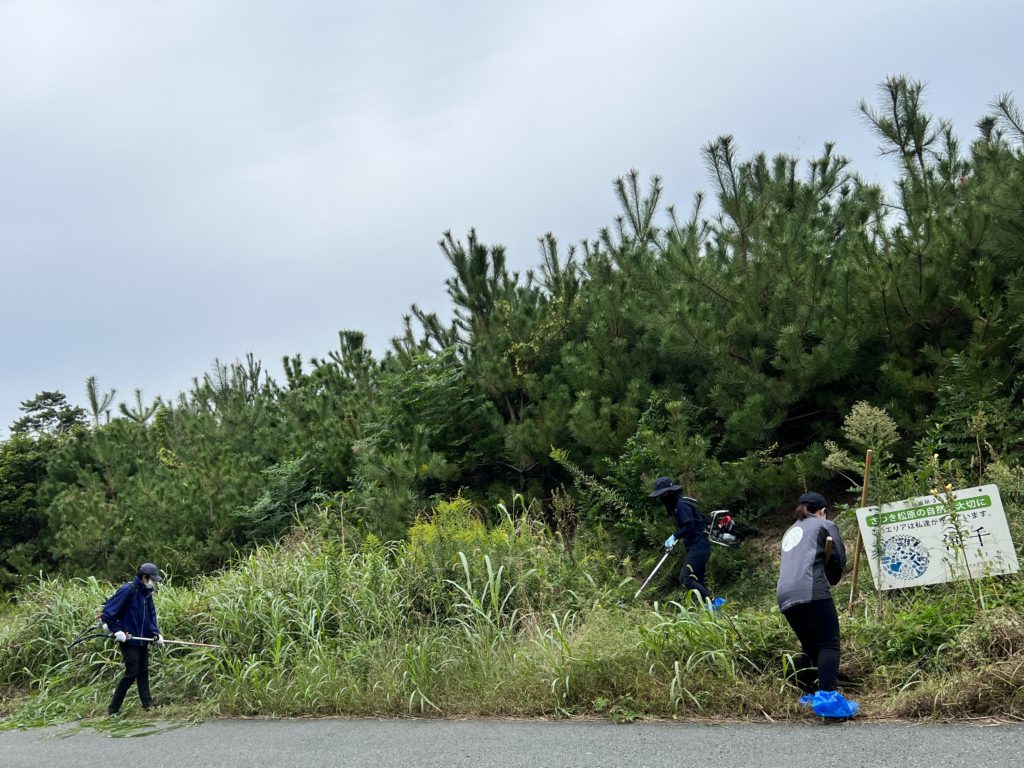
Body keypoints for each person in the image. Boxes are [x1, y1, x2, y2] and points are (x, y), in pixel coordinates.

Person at [776, 492, 859, 718]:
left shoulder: (789, 531)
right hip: (811, 590)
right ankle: (828, 699)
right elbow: (838, 560)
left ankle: (808, 695)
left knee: (810, 646)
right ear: (821, 510)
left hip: (784, 595)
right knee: (829, 643)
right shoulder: (825, 525)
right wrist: (832, 577)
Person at [648, 476, 725, 609]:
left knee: (686, 578)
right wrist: (674, 539)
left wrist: (674, 536)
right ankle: (712, 611)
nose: (661, 498)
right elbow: (687, 527)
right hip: (694, 546)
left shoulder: (681, 505)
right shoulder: (677, 506)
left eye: (663, 494)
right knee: (698, 579)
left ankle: (715, 604)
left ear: (669, 492)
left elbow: (690, 527)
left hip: (699, 546)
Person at [102, 562, 164, 716]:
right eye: (152, 579)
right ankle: (113, 709)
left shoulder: (146, 593)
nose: (154, 583)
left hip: (143, 639)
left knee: (143, 671)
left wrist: (156, 633)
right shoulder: (128, 590)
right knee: (132, 672)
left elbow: (151, 616)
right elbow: (108, 613)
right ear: (144, 577)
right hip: (129, 639)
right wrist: (118, 631)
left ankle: (147, 705)